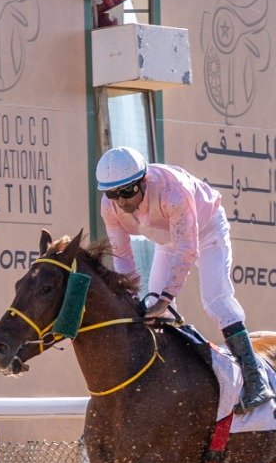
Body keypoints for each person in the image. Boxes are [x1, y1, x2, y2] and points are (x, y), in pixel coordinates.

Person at [97, 145, 274, 412]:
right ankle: (173, 383)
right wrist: (132, 298)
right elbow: (122, 256)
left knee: (215, 301)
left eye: (127, 192)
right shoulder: (110, 207)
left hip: (207, 230)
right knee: (158, 313)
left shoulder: (172, 191)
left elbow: (188, 250)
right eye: (113, 193)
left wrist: (165, 299)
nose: (121, 201)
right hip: (168, 239)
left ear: (143, 180)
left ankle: (256, 379)